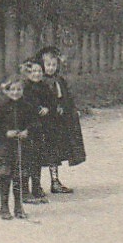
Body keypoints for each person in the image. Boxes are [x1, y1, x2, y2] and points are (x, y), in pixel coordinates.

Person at [37, 47, 86, 194]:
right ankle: (35, 185)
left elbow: (65, 98)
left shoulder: (59, 81)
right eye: (48, 65)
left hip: (56, 122)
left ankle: (55, 181)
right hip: (42, 122)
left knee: (54, 151)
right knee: (39, 152)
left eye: (54, 65)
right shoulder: (39, 82)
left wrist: (68, 109)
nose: (51, 68)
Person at [0, 77, 32, 220]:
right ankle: (4, 207)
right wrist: (6, 133)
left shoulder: (27, 106)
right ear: (6, 91)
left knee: (19, 177)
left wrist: (27, 131)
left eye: (19, 89)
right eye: (12, 89)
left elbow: (35, 123)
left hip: (21, 146)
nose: (15, 92)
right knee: (5, 177)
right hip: (4, 148)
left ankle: (18, 207)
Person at [18, 57, 53, 203]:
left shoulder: (45, 87)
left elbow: (51, 101)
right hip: (26, 125)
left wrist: (47, 108)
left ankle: (36, 187)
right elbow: (25, 105)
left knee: (38, 156)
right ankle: (24, 190)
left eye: (39, 71)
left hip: (40, 126)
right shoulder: (24, 87)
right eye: (33, 71)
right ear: (28, 73)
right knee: (26, 158)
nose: (37, 74)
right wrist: (38, 109)